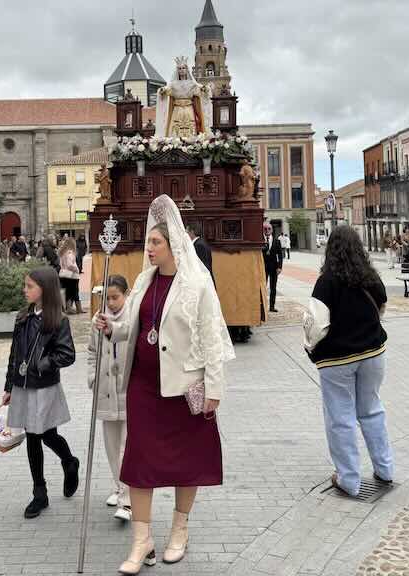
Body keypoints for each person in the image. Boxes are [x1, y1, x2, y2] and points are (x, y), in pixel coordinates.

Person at [94, 195, 234, 574]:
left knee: (187, 462)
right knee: (139, 461)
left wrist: (214, 389)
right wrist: (111, 328)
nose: (149, 248)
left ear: (173, 245)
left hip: (183, 389)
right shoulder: (144, 281)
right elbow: (132, 326)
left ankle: (179, 528)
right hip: (143, 386)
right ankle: (141, 540)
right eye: (148, 242)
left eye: (155, 242)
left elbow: (211, 338)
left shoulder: (196, 284)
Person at [310, 225, 393, 498]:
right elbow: (381, 308)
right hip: (373, 353)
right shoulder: (370, 277)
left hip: (337, 358)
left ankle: (349, 478)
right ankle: (385, 468)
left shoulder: (326, 282)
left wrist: (311, 349)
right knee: (372, 410)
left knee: (340, 417)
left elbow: (317, 323)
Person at [1, 266, 79, 519]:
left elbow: (67, 354)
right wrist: (9, 386)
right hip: (23, 386)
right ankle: (39, 492)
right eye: (25, 285)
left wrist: (40, 364)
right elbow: (14, 353)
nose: (24, 290)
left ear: (44, 289)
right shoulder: (22, 317)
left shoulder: (58, 320)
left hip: (44, 387)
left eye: (29, 286)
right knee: (33, 437)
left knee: (47, 435)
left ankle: (69, 461)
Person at [87, 275, 132, 522]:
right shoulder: (98, 319)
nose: (111, 303)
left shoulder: (133, 317)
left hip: (127, 391)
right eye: (108, 298)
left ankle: (128, 500)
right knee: (112, 447)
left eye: (116, 297)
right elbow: (92, 352)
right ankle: (119, 487)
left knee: (127, 448)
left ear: (126, 294)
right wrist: (93, 378)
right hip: (105, 391)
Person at [263, 222, 283, 313]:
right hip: (263, 268)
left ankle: (272, 306)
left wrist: (279, 267)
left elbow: (280, 255)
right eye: (265, 229)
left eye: (269, 229)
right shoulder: (260, 241)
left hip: (274, 268)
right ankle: (262, 306)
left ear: (272, 230)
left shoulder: (277, 241)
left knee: (273, 288)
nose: (267, 230)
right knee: (262, 287)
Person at [58, 238, 82, 315]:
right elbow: (69, 264)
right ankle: (76, 308)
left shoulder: (62, 253)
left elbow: (60, 264)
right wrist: (76, 269)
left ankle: (69, 308)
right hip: (71, 275)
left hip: (63, 274)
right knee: (74, 291)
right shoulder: (70, 253)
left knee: (67, 292)